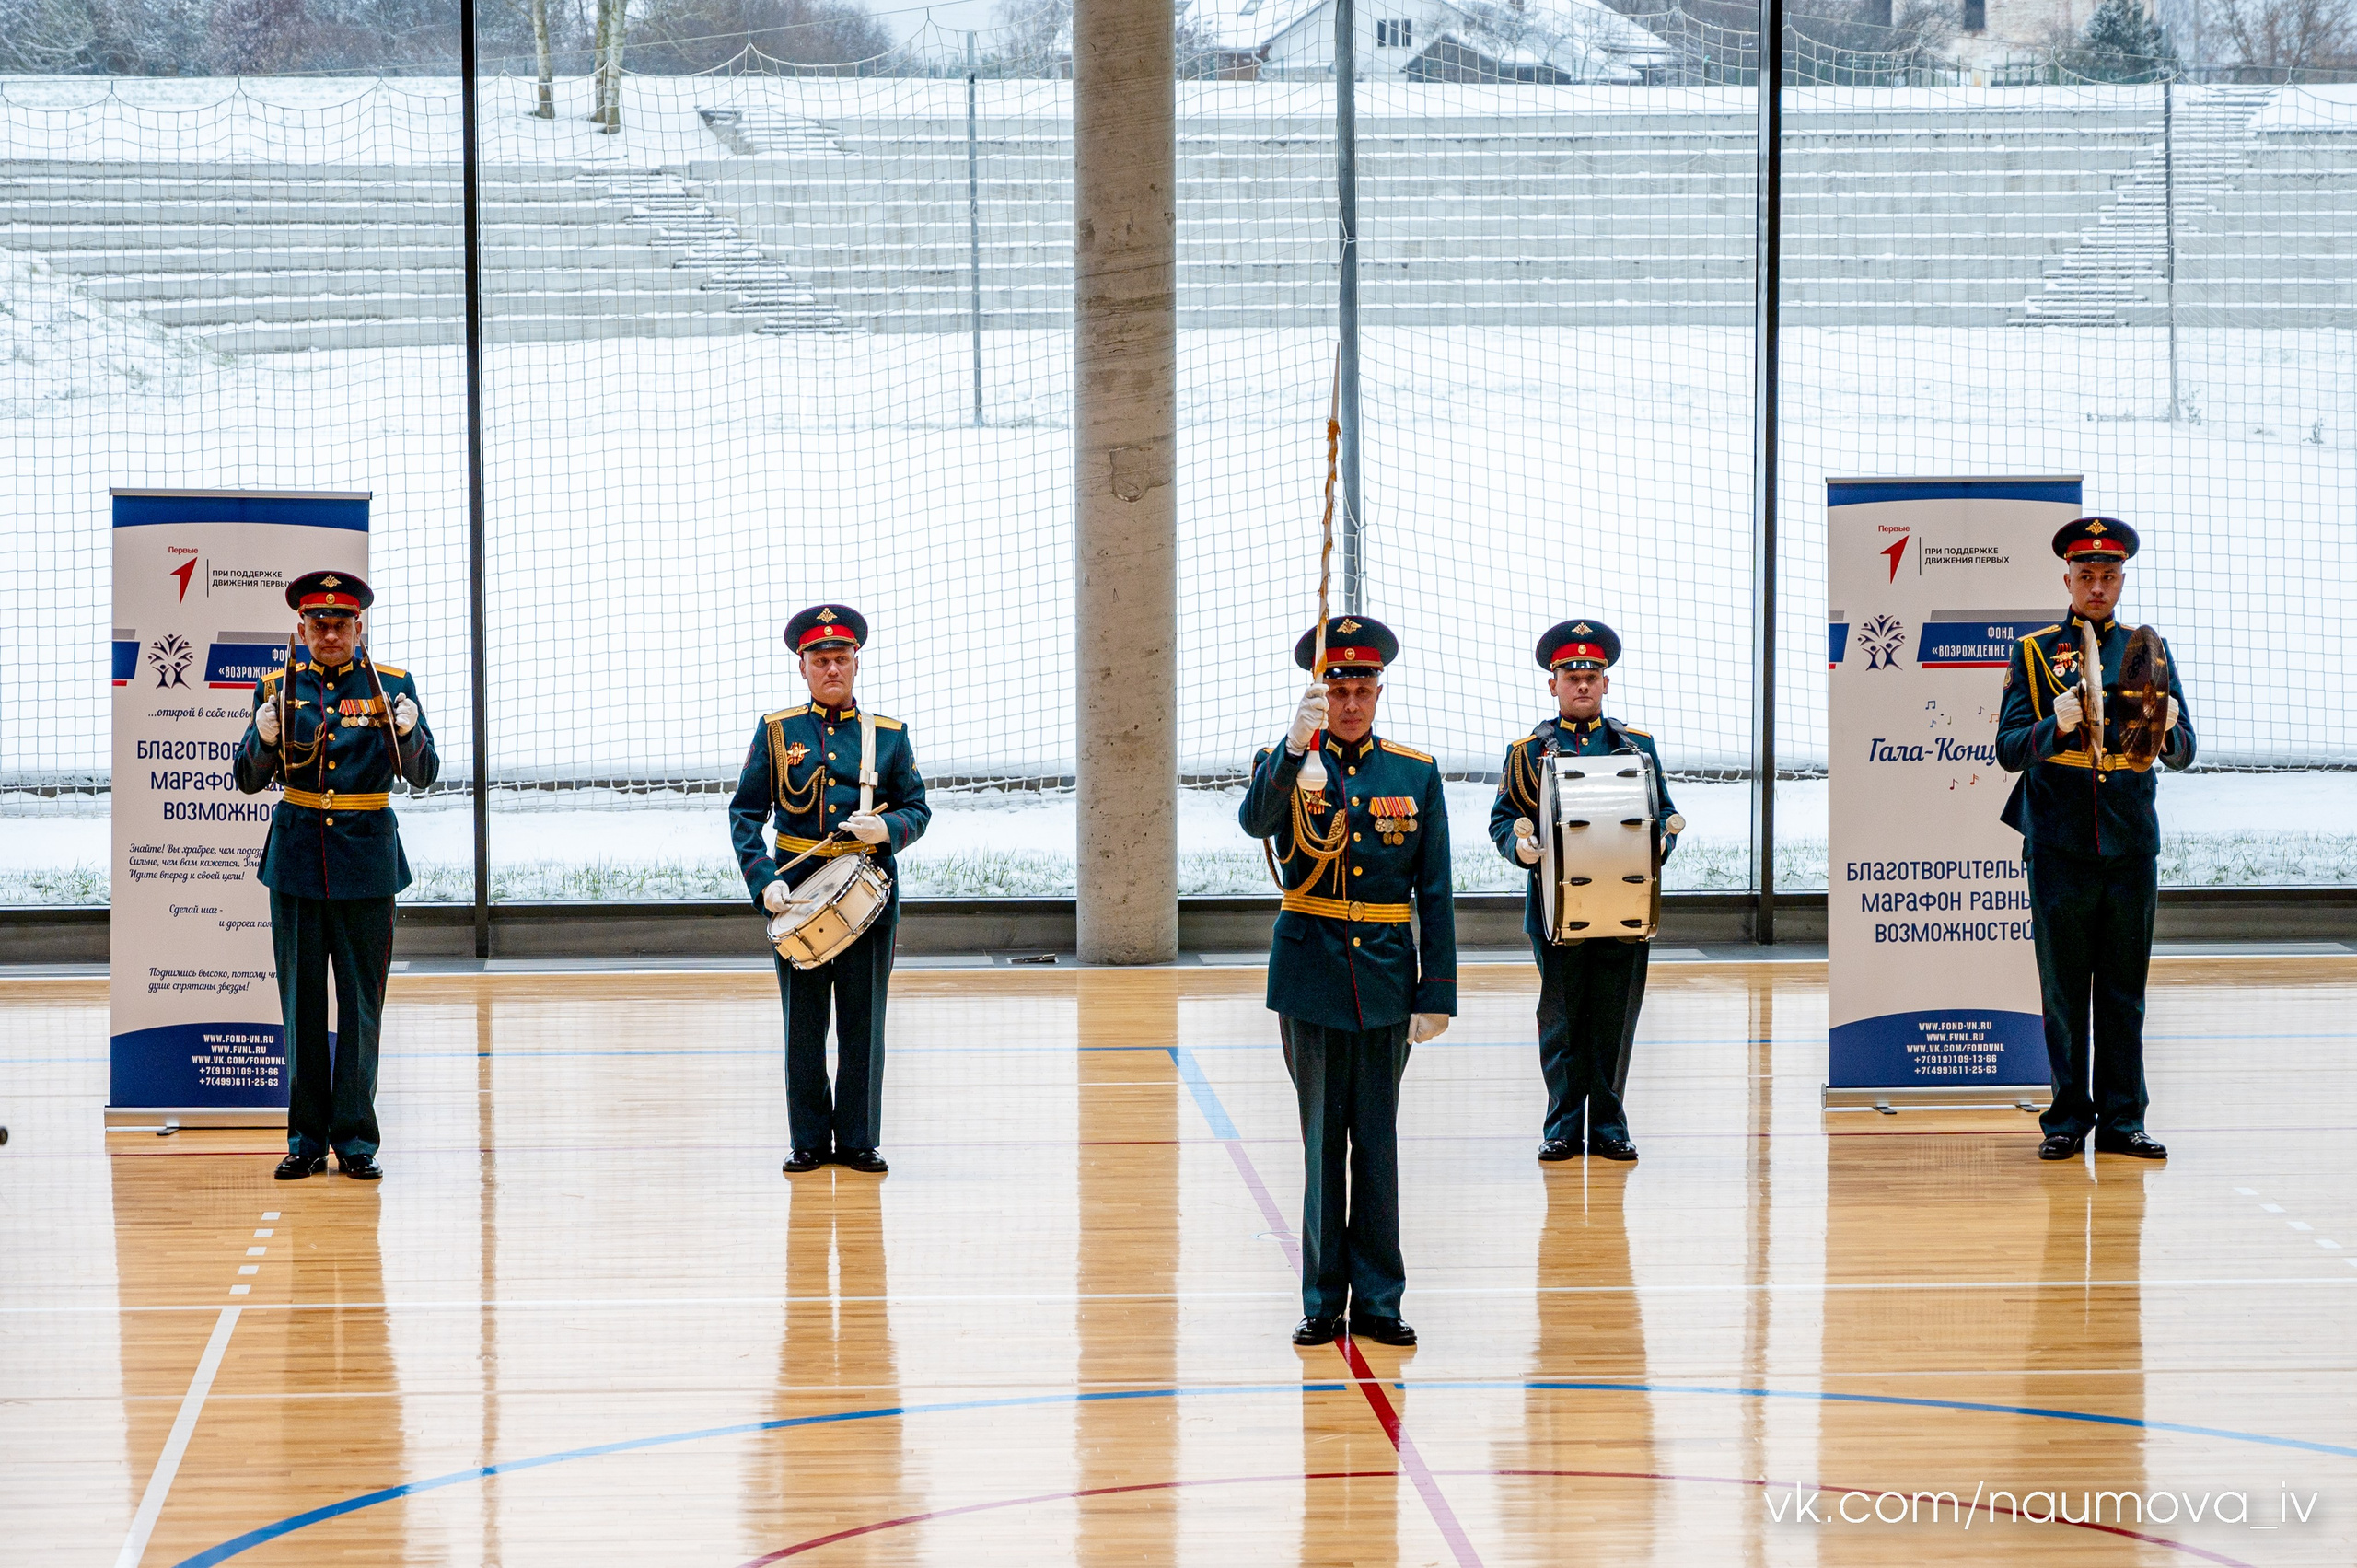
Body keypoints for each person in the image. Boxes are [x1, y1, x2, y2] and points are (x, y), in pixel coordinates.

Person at [1239, 617, 1456, 1349]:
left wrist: (1437, 990)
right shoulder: (1287, 759)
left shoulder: (1413, 772)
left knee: (1379, 1145)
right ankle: (1323, 1298)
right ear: (1318, 691)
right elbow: (1255, 822)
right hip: (1310, 972)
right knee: (1322, 1143)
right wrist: (1293, 749)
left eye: (1362, 687)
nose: (1351, 700)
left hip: (1388, 979)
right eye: (1338, 686)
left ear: (1379, 690)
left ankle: (1381, 1300)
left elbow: (1435, 890)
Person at [1997, 517, 2193, 1162]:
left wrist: (2162, 735)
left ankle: (2122, 1120)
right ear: (2068, 579)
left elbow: (2186, 747)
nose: (2098, 587)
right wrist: (2054, 728)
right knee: (2062, 991)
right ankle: (2064, 1118)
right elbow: (2006, 750)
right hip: (2058, 844)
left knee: (2123, 991)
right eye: (2087, 576)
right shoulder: (2032, 653)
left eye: (2109, 576)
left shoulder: (2145, 650)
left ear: (2122, 579)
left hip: (2130, 845)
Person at [233, 571, 438, 1181]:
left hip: (366, 866)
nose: (328, 633)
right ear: (301, 627)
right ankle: (304, 1139)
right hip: (297, 865)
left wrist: (409, 730)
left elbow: (424, 773)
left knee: (361, 1011)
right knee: (300, 1009)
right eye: (317, 624)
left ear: (359, 626)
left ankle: (353, 1140)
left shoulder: (391, 686)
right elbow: (247, 778)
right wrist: (263, 738)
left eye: (340, 623)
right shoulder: (276, 687)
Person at [729, 605, 930, 1177]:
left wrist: (888, 829)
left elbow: (919, 809)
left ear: (856, 665)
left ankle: (860, 1140)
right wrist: (763, 880)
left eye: (841, 659)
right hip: (796, 893)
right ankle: (809, 1140)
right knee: (805, 1022)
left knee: (865, 1021)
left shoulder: (888, 737)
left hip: (869, 893)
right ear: (803, 667)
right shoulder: (779, 731)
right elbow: (745, 813)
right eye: (821, 660)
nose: (832, 669)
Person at [1489, 621, 1682, 1164]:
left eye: (1591, 675)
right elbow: (1504, 818)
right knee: (1562, 1022)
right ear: (1553, 684)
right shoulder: (1527, 752)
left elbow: (1662, 814)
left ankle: (1610, 1127)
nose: (1582, 685)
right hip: (1556, 910)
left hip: (1624, 905)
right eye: (1571, 675)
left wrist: (1656, 848)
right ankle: (1562, 1127)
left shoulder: (1635, 747)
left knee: (1615, 1020)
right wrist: (1519, 848)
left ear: (1605, 684)